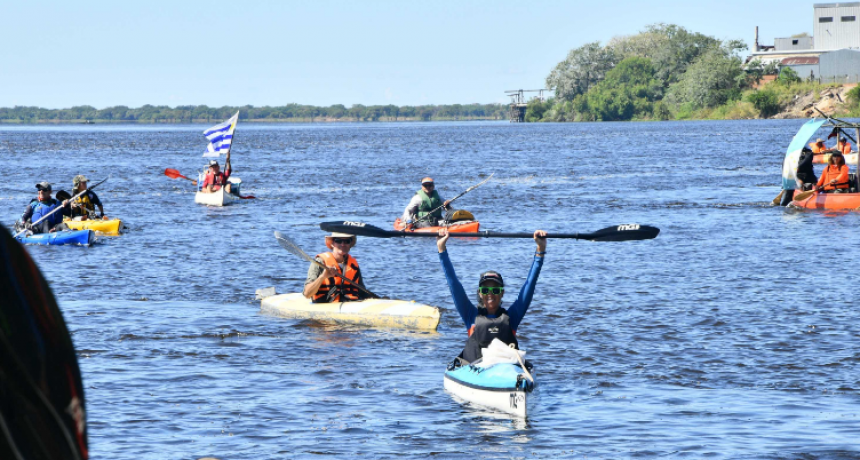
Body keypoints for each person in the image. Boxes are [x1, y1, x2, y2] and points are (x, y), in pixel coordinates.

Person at [436, 228, 547, 364]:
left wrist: (540, 250)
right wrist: (442, 249)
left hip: (505, 372)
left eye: (495, 290)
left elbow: (529, 285)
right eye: (485, 289)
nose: (490, 294)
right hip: (477, 373)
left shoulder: (512, 317)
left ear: (502, 293)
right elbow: (453, 284)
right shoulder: (470, 314)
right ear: (480, 293)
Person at [303, 232, 370, 303]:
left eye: (347, 241)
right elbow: (307, 294)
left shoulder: (353, 265)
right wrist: (323, 276)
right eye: (338, 241)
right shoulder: (319, 262)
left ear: (350, 244)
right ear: (332, 243)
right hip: (326, 304)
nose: (343, 244)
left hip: (350, 303)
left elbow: (362, 292)